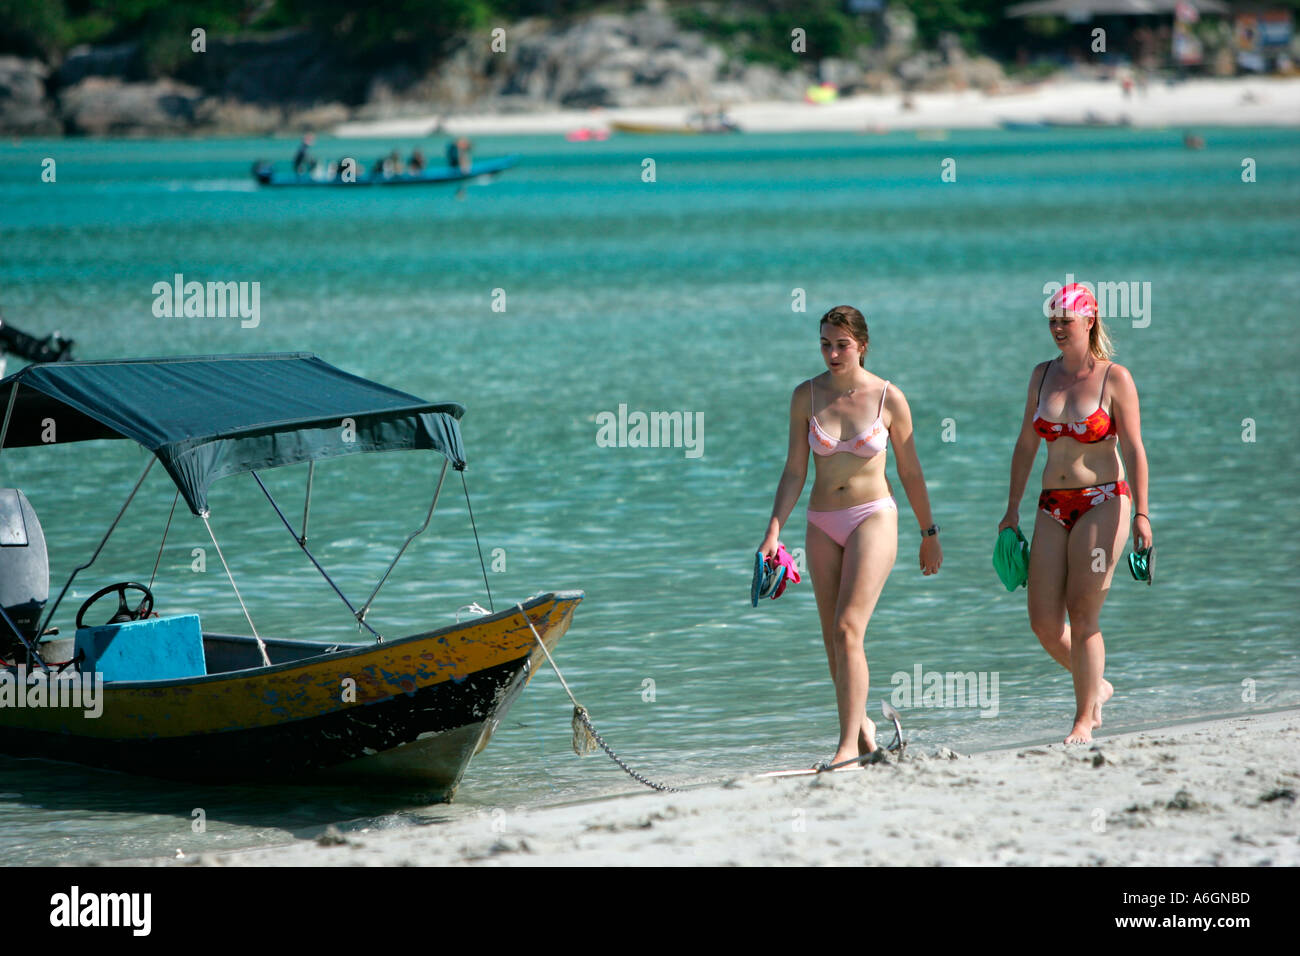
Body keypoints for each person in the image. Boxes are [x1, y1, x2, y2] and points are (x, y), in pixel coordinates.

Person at [760, 305, 942, 768]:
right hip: (822, 521)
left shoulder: (887, 397)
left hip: (873, 517)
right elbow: (794, 470)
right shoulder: (806, 395)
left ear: (861, 344)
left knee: (847, 629)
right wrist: (773, 531)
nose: (832, 353)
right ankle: (862, 730)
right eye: (825, 343)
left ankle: (844, 749)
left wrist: (929, 532)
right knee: (831, 638)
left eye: (841, 344)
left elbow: (911, 471)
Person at [999, 283, 1151, 744]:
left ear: (1090, 320)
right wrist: (1010, 511)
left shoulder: (1114, 378)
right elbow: (1027, 444)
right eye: (1052, 319)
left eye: (1066, 319)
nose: (1058, 327)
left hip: (1105, 499)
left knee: (1083, 613)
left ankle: (1083, 719)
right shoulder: (1041, 375)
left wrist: (1143, 514)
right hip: (1051, 505)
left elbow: (1134, 448)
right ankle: (1097, 686)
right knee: (1044, 622)